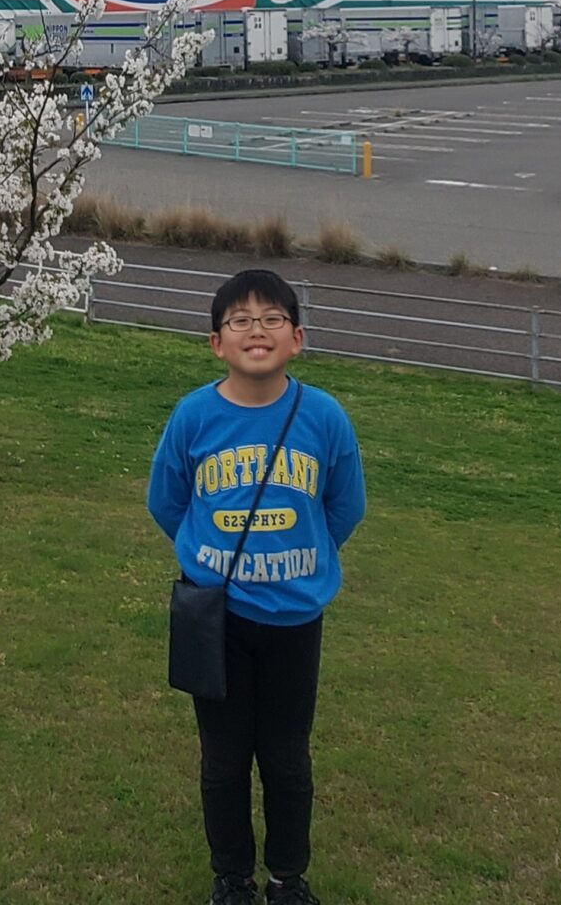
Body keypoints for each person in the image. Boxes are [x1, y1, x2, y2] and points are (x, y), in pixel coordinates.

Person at [147, 268, 365, 905]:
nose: (256, 331)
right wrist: (210, 561)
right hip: (218, 620)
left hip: (296, 618)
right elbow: (167, 501)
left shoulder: (322, 417)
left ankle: (286, 877)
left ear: (297, 337)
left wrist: (303, 560)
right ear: (217, 342)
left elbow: (344, 508)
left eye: (272, 319)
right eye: (239, 320)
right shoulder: (194, 416)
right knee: (223, 758)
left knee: (287, 758)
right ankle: (231, 877)